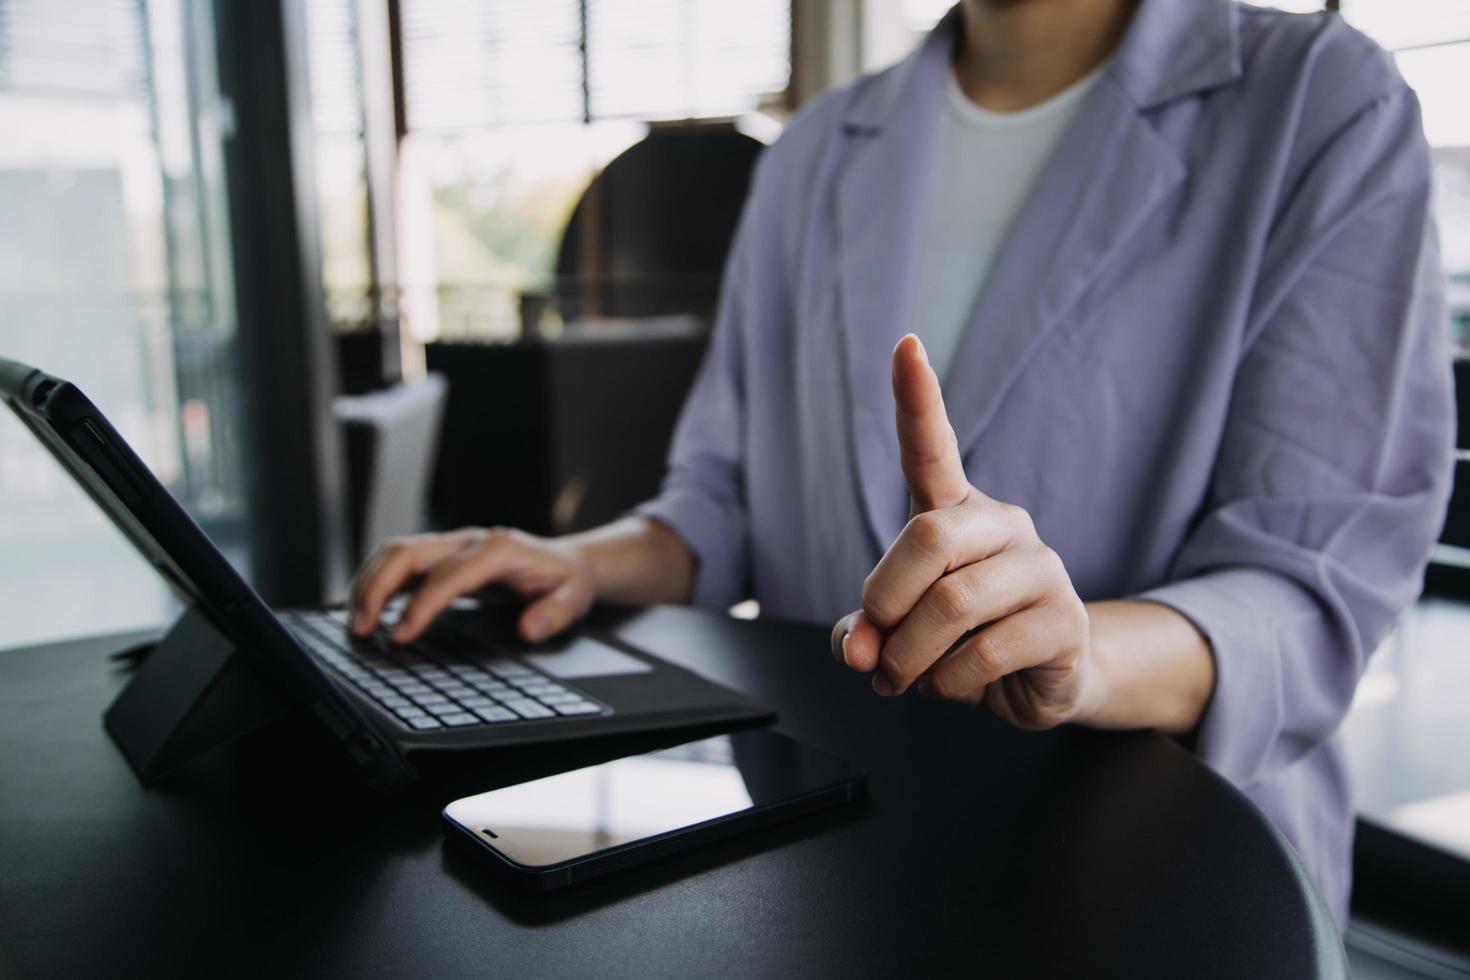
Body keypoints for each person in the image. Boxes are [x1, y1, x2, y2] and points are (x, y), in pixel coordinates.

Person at [350, 0, 1456, 925]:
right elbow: (723, 495)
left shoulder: (1319, 101)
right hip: (824, 858)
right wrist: (581, 559)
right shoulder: (818, 151)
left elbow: (1310, 580)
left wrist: (1081, 653)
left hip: (1156, 871)